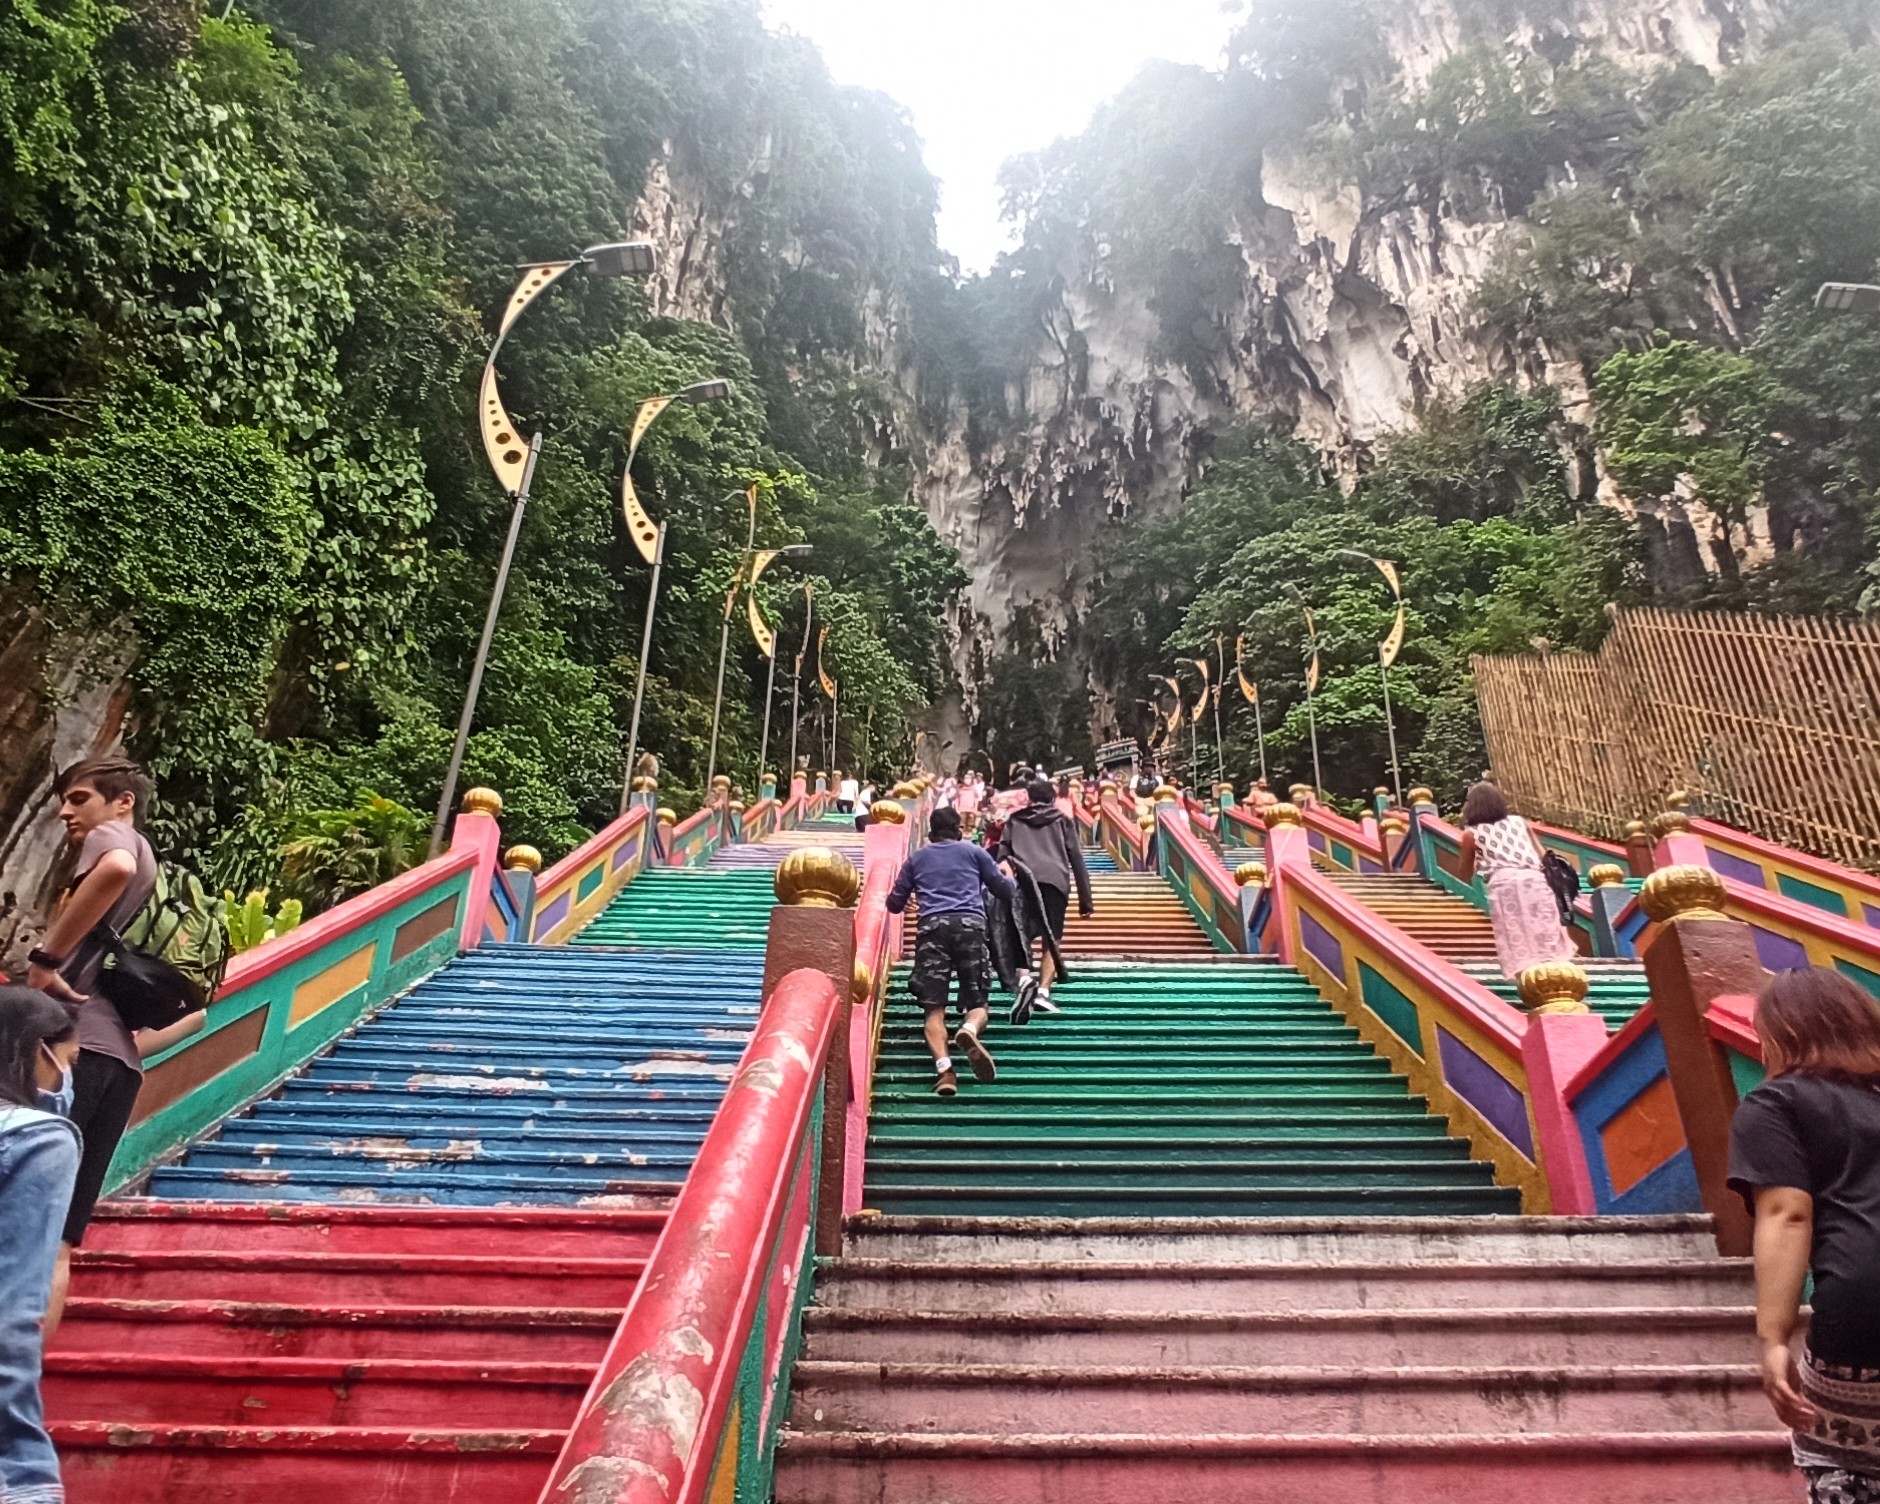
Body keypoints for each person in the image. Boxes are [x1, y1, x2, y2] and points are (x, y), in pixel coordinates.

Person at [25, 758, 203, 1334]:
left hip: (66, 1055)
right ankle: (21, 1384)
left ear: (121, 801)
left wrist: (45, 962)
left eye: (78, 798)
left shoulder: (116, 841)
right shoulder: (155, 867)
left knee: (21, 1218)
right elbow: (197, 1017)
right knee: (58, 1242)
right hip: (120, 1066)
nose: (66, 812)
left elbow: (115, 865)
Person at [1727, 968, 1880, 1501]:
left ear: (1778, 1036)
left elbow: (1787, 1213)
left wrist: (1773, 1339)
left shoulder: (1778, 1104)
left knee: (1849, 1473)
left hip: (1864, 1307)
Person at [0, 986, 84, 1504]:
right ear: (38, 1049)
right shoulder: (38, 1138)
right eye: (69, 1061)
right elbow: (11, 1305)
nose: (67, 1078)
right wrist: (20, 1462)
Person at [885, 807, 1017, 1096]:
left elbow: (894, 904)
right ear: (959, 830)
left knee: (933, 1010)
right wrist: (1008, 874)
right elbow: (1005, 891)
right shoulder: (974, 852)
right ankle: (969, 1030)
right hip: (970, 926)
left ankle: (945, 1072)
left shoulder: (916, 859)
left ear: (931, 833)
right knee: (979, 1004)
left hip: (932, 929)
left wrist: (907, 898)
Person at [1454, 781, 1572, 981]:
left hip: (1504, 886)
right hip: (1533, 879)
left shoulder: (1472, 834)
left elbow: (1464, 873)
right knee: (1545, 930)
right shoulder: (1519, 822)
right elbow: (1542, 855)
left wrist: (1480, 863)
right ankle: (1558, 977)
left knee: (1516, 935)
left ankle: (1528, 981)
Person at [998, 778, 1093, 1018]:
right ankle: (1043, 992)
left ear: (1028, 798)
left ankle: (1024, 980)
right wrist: (1086, 901)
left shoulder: (1015, 820)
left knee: (1022, 933)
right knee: (1051, 938)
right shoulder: (1062, 820)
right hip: (1054, 882)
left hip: (1023, 881)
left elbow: (1002, 856)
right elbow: (1077, 859)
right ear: (1052, 799)